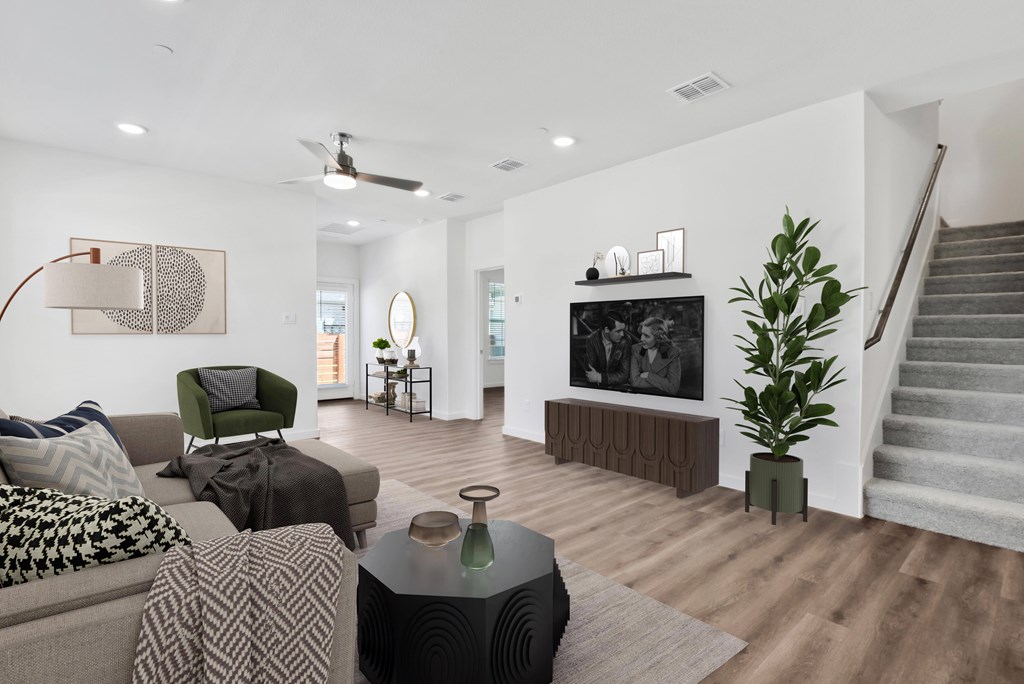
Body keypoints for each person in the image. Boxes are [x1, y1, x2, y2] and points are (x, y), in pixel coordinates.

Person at [630, 317, 682, 395]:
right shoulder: (636, 349)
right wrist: (662, 383)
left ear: (659, 338)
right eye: (642, 334)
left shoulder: (672, 354)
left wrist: (648, 375)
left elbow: (673, 388)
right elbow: (635, 382)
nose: (641, 339)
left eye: (646, 336)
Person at [584, 310, 631, 386]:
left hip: (618, 388)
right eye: (618, 331)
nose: (622, 334)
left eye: (623, 330)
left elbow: (625, 375)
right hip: (598, 389)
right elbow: (590, 374)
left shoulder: (625, 340)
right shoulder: (592, 340)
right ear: (606, 329)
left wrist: (599, 377)